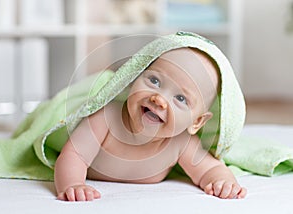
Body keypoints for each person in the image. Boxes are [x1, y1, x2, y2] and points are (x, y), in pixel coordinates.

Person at [54, 47, 247, 201]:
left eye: (180, 98)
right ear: (134, 76)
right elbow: (73, 155)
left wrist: (223, 182)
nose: (159, 99)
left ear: (196, 121)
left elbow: (210, 169)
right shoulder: (105, 118)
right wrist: (72, 184)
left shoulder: (181, 142)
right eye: (154, 80)